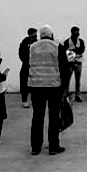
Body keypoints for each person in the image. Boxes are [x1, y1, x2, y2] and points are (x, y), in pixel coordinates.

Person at [28, 25, 68, 156]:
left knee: (37, 116)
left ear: (40, 35)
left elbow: (27, 64)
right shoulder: (57, 46)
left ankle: (35, 147)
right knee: (54, 117)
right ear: (51, 35)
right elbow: (64, 69)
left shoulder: (32, 47)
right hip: (53, 86)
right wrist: (64, 88)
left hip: (36, 86)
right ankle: (53, 147)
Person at [63, 26, 86, 102]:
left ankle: (77, 95)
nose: (77, 33)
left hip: (78, 63)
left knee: (78, 81)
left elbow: (82, 50)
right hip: (69, 64)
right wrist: (76, 51)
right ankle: (66, 95)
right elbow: (66, 51)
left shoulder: (81, 41)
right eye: (75, 31)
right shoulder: (67, 42)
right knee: (67, 80)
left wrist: (72, 51)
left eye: (78, 31)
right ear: (72, 32)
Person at [18, 28, 38, 108]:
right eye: (34, 33)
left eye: (36, 33)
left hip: (35, 66)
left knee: (35, 84)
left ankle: (35, 100)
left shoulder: (37, 43)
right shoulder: (24, 43)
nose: (36, 35)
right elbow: (21, 54)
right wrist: (27, 61)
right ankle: (24, 101)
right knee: (24, 83)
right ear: (30, 34)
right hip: (26, 66)